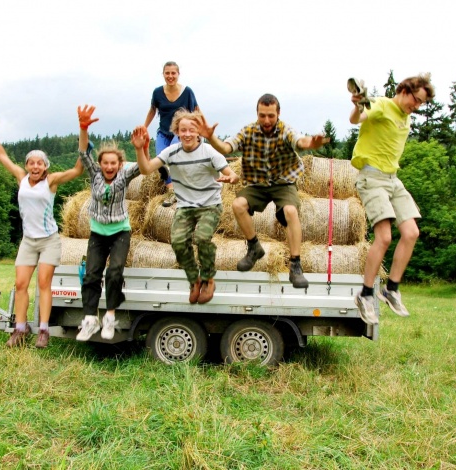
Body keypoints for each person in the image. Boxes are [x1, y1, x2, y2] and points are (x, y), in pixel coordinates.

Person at [196, 94, 329, 289]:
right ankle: (254, 247)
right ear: (257, 113)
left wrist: (311, 144)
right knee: (237, 204)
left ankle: (295, 265)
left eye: (271, 116)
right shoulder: (248, 131)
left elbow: (300, 142)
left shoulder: (285, 131)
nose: (266, 120)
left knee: (290, 211)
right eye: (262, 115)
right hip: (258, 184)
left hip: (284, 182)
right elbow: (226, 147)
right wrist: (211, 137)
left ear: (278, 114)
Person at [0, 110, 83, 348]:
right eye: (31, 163)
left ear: (46, 166)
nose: (35, 166)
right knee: (21, 284)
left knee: (44, 283)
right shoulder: (21, 178)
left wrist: (83, 140)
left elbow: (77, 170)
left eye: (40, 163)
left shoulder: (51, 182)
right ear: (26, 165)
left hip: (48, 240)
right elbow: (1, 156)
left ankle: (43, 330)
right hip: (28, 241)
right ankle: (20, 329)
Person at [348, 73, 435, 325]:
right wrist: (356, 105)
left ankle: (392, 289)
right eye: (415, 100)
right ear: (404, 90)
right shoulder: (382, 105)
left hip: (393, 179)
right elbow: (357, 119)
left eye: (421, 104)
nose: (416, 107)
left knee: (411, 233)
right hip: (371, 178)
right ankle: (365, 295)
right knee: (384, 237)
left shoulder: (405, 117)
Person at [131, 110, 238, 304]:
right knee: (178, 242)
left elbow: (232, 174)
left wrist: (231, 177)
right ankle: (194, 280)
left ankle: (208, 279)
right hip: (185, 206)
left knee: (203, 237)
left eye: (192, 129)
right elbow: (146, 169)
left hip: (210, 205)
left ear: (198, 132)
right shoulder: (171, 152)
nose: (187, 134)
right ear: (177, 133)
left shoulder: (209, 152)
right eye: (183, 130)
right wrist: (140, 149)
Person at [75, 105, 142, 341]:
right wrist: (83, 128)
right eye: (106, 163)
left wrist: (140, 148)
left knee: (114, 272)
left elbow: (144, 168)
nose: (110, 166)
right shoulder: (94, 174)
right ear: (101, 164)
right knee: (92, 275)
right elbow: (84, 153)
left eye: (114, 163)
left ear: (119, 165)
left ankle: (110, 317)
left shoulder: (124, 176)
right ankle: (90, 319)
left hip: (120, 232)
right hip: (97, 233)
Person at [144, 61, 200, 207]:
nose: (170, 76)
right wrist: (144, 127)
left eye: (173, 73)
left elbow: (196, 110)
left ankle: (182, 187)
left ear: (178, 74)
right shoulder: (157, 92)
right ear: (163, 74)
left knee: (172, 155)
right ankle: (171, 191)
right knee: (160, 160)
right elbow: (152, 110)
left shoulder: (187, 92)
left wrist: (202, 129)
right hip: (163, 132)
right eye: (167, 73)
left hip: (180, 132)